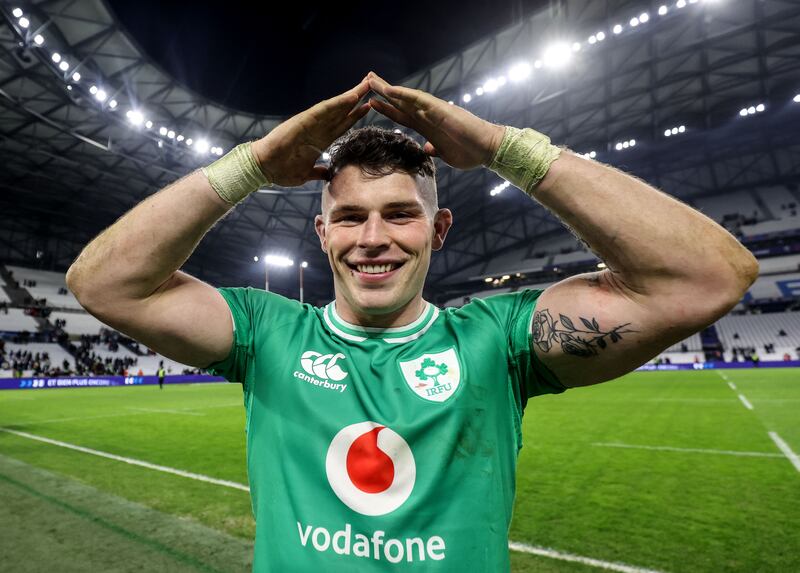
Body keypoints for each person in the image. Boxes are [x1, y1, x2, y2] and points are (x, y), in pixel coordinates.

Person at [66, 72, 758, 571]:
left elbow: (708, 278)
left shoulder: (499, 340)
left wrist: (503, 148)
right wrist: (249, 165)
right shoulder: (264, 331)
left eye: (400, 214)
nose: (373, 238)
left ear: (439, 229)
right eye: (349, 217)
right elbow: (101, 284)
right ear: (322, 234)